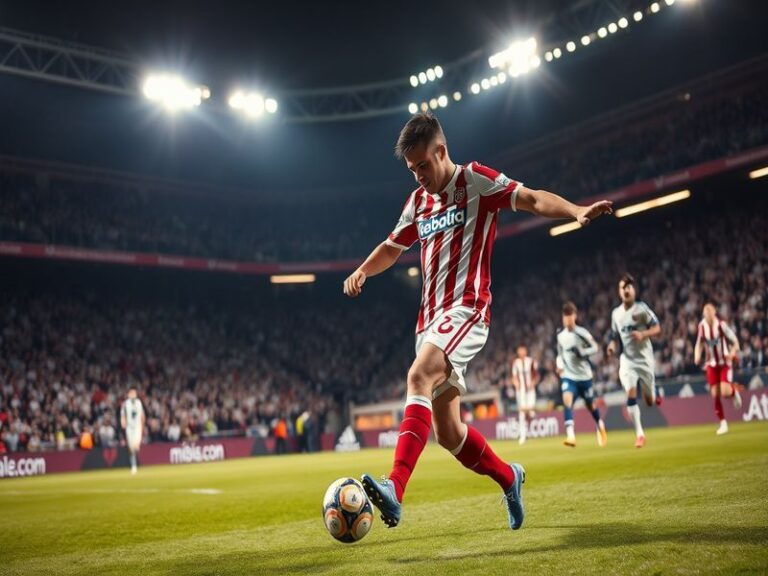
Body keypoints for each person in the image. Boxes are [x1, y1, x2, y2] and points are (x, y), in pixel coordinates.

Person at [343, 111, 613, 530]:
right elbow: (392, 247)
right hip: (429, 322)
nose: (418, 176)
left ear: (441, 151)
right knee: (449, 433)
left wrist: (575, 211)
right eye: (411, 170)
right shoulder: (418, 203)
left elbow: (532, 197)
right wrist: (362, 269)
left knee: (417, 377)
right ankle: (510, 477)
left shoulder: (476, 181)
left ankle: (394, 488)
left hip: (467, 309)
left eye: (422, 166)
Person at [607, 274, 661, 448]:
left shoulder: (642, 309)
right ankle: (639, 434)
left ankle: (654, 392)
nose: (627, 290)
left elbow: (657, 327)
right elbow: (615, 336)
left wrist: (643, 334)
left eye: (630, 286)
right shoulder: (616, 314)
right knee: (630, 392)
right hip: (628, 360)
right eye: (624, 287)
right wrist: (612, 346)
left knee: (649, 401)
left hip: (644, 359)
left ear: (634, 290)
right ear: (619, 292)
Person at [556, 302, 607, 447]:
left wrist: (583, 352)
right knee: (567, 399)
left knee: (591, 405)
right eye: (565, 316)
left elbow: (596, 347)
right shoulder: (560, 336)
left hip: (584, 377)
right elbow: (560, 354)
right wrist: (559, 366)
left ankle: (600, 425)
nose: (567, 319)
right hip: (569, 376)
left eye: (569, 316)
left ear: (575, 316)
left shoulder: (582, 333)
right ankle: (571, 435)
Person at [694, 303, 742, 435]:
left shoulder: (721, 325)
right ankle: (723, 423)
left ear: (714, 313)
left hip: (724, 362)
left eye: (710, 313)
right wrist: (697, 356)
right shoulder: (701, 327)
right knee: (715, 394)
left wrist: (732, 353)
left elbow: (736, 342)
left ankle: (733, 392)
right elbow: (698, 344)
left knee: (725, 392)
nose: (708, 316)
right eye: (706, 314)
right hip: (711, 363)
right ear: (704, 315)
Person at [511, 345, 539, 445]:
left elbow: (536, 375)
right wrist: (516, 383)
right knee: (522, 413)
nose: (521, 352)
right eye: (520, 350)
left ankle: (531, 428)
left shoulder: (531, 361)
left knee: (530, 411)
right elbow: (513, 376)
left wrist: (533, 383)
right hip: (521, 391)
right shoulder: (515, 362)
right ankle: (522, 436)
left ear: (526, 351)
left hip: (530, 390)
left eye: (523, 350)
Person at [120, 388, 145, 475]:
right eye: (131, 393)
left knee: (136, 446)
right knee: (131, 449)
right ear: (128, 394)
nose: (133, 394)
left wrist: (143, 424)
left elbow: (142, 414)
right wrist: (123, 421)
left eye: (134, 393)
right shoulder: (125, 404)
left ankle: (137, 445)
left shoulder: (139, 402)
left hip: (138, 426)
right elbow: (123, 414)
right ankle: (133, 466)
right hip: (129, 427)